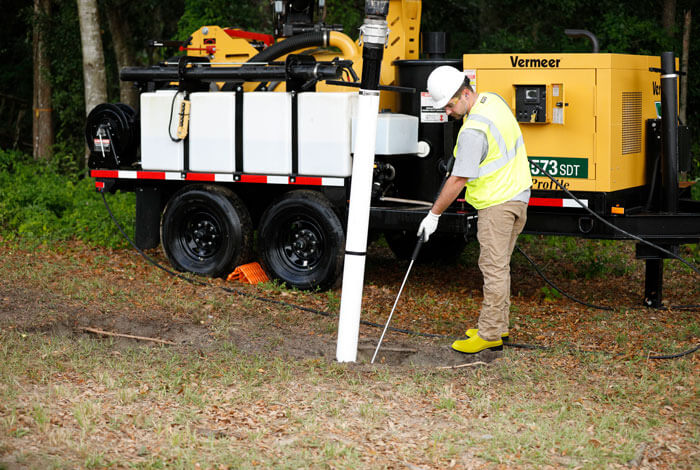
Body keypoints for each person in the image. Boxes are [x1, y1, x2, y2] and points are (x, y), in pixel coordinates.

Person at [417, 66, 533, 354]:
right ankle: (499, 325)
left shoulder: (473, 131)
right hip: (518, 196)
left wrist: (433, 215)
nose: (448, 111)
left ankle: (490, 333)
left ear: (465, 93)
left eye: (450, 104)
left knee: (493, 269)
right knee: (500, 267)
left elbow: (457, 180)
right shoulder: (492, 101)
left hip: (498, 205)